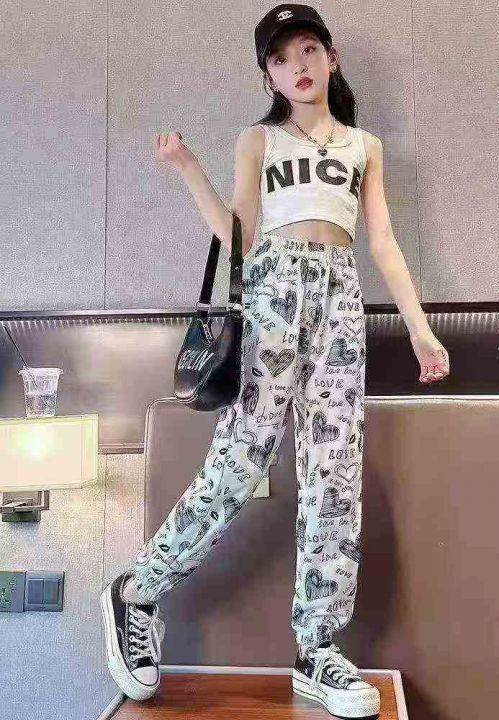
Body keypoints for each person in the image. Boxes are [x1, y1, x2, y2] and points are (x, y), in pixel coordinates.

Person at [100, 4, 450, 717]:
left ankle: (316, 649)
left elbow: (382, 241)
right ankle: (137, 591)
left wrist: (420, 329)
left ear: (331, 57)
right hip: (272, 297)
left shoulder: (364, 147)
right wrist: (187, 169)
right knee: (240, 462)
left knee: (334, 475)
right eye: (282, 57)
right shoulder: (258, 140)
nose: (299, 65)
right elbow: (239, 235)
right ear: (270, 75)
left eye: (309, 49)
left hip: (340, 301)